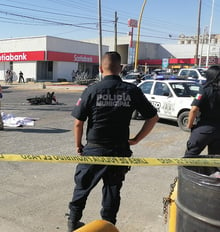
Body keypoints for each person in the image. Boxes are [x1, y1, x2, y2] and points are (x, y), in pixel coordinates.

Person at [67, 51, 159, 232]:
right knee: (112, 189)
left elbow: (78, 123)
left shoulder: (92, 90)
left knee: (82, 187)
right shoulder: (132, 90)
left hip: (94, 149)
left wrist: (78, 145)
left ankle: (73, 222)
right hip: (120, 150)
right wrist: (136, 139)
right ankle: (108, 226)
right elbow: (153, 117)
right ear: (121, 69)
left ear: (101, 69)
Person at [184, 65, 220, 157]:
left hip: (204, 129)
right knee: (215, 161)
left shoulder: (204, 90)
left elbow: (194, 110)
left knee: (189, 158)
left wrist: (189, 125)